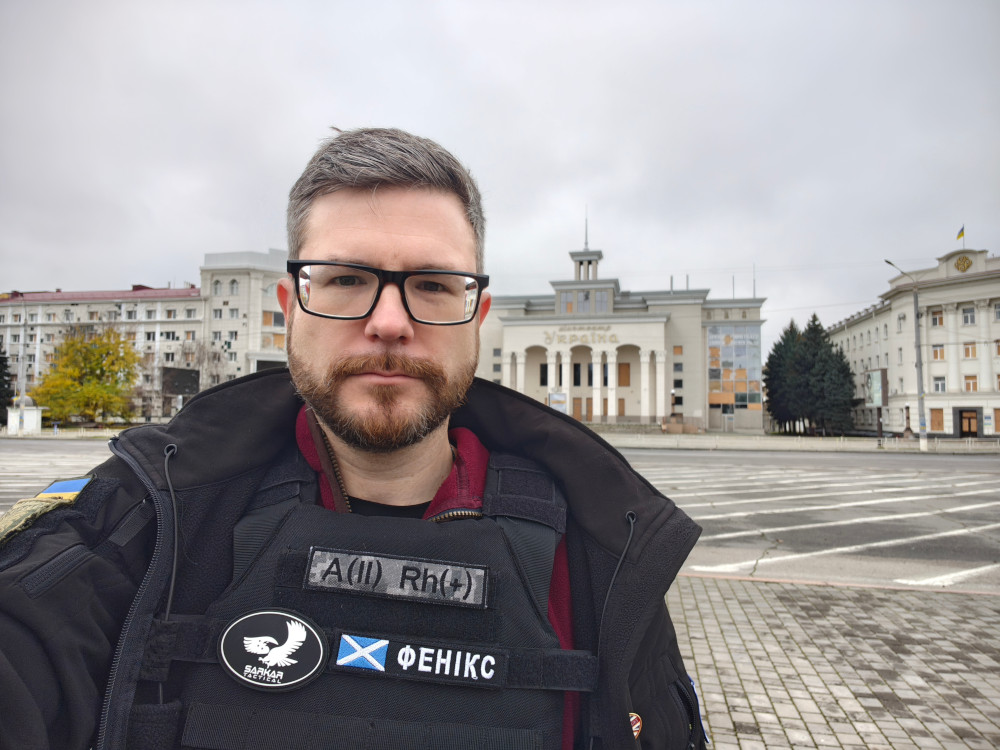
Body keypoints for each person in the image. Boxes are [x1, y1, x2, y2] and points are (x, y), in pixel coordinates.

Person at [0, 128, 707, 749]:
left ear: (477, 316)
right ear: (290, 309)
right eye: (345, 278)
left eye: (432, 284)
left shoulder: (595, 558)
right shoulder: (150, 524)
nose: (390, 322)